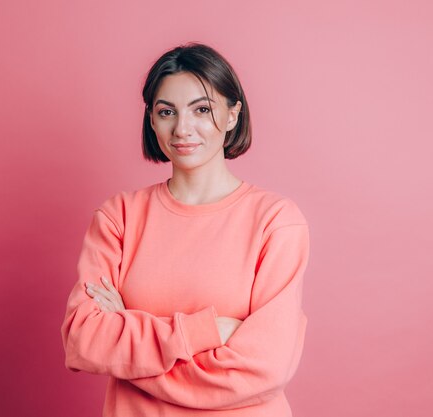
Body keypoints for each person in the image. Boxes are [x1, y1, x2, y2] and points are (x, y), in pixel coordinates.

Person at [61, 42, 311, 416]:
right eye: (166, 112)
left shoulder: (275, 221)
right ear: (151, 119)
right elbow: (83, 340)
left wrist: (129, 343)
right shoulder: (119, 217)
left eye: (202, 109)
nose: (182, 128)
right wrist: (203, 333)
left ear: (232, 115)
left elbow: (265, 367)